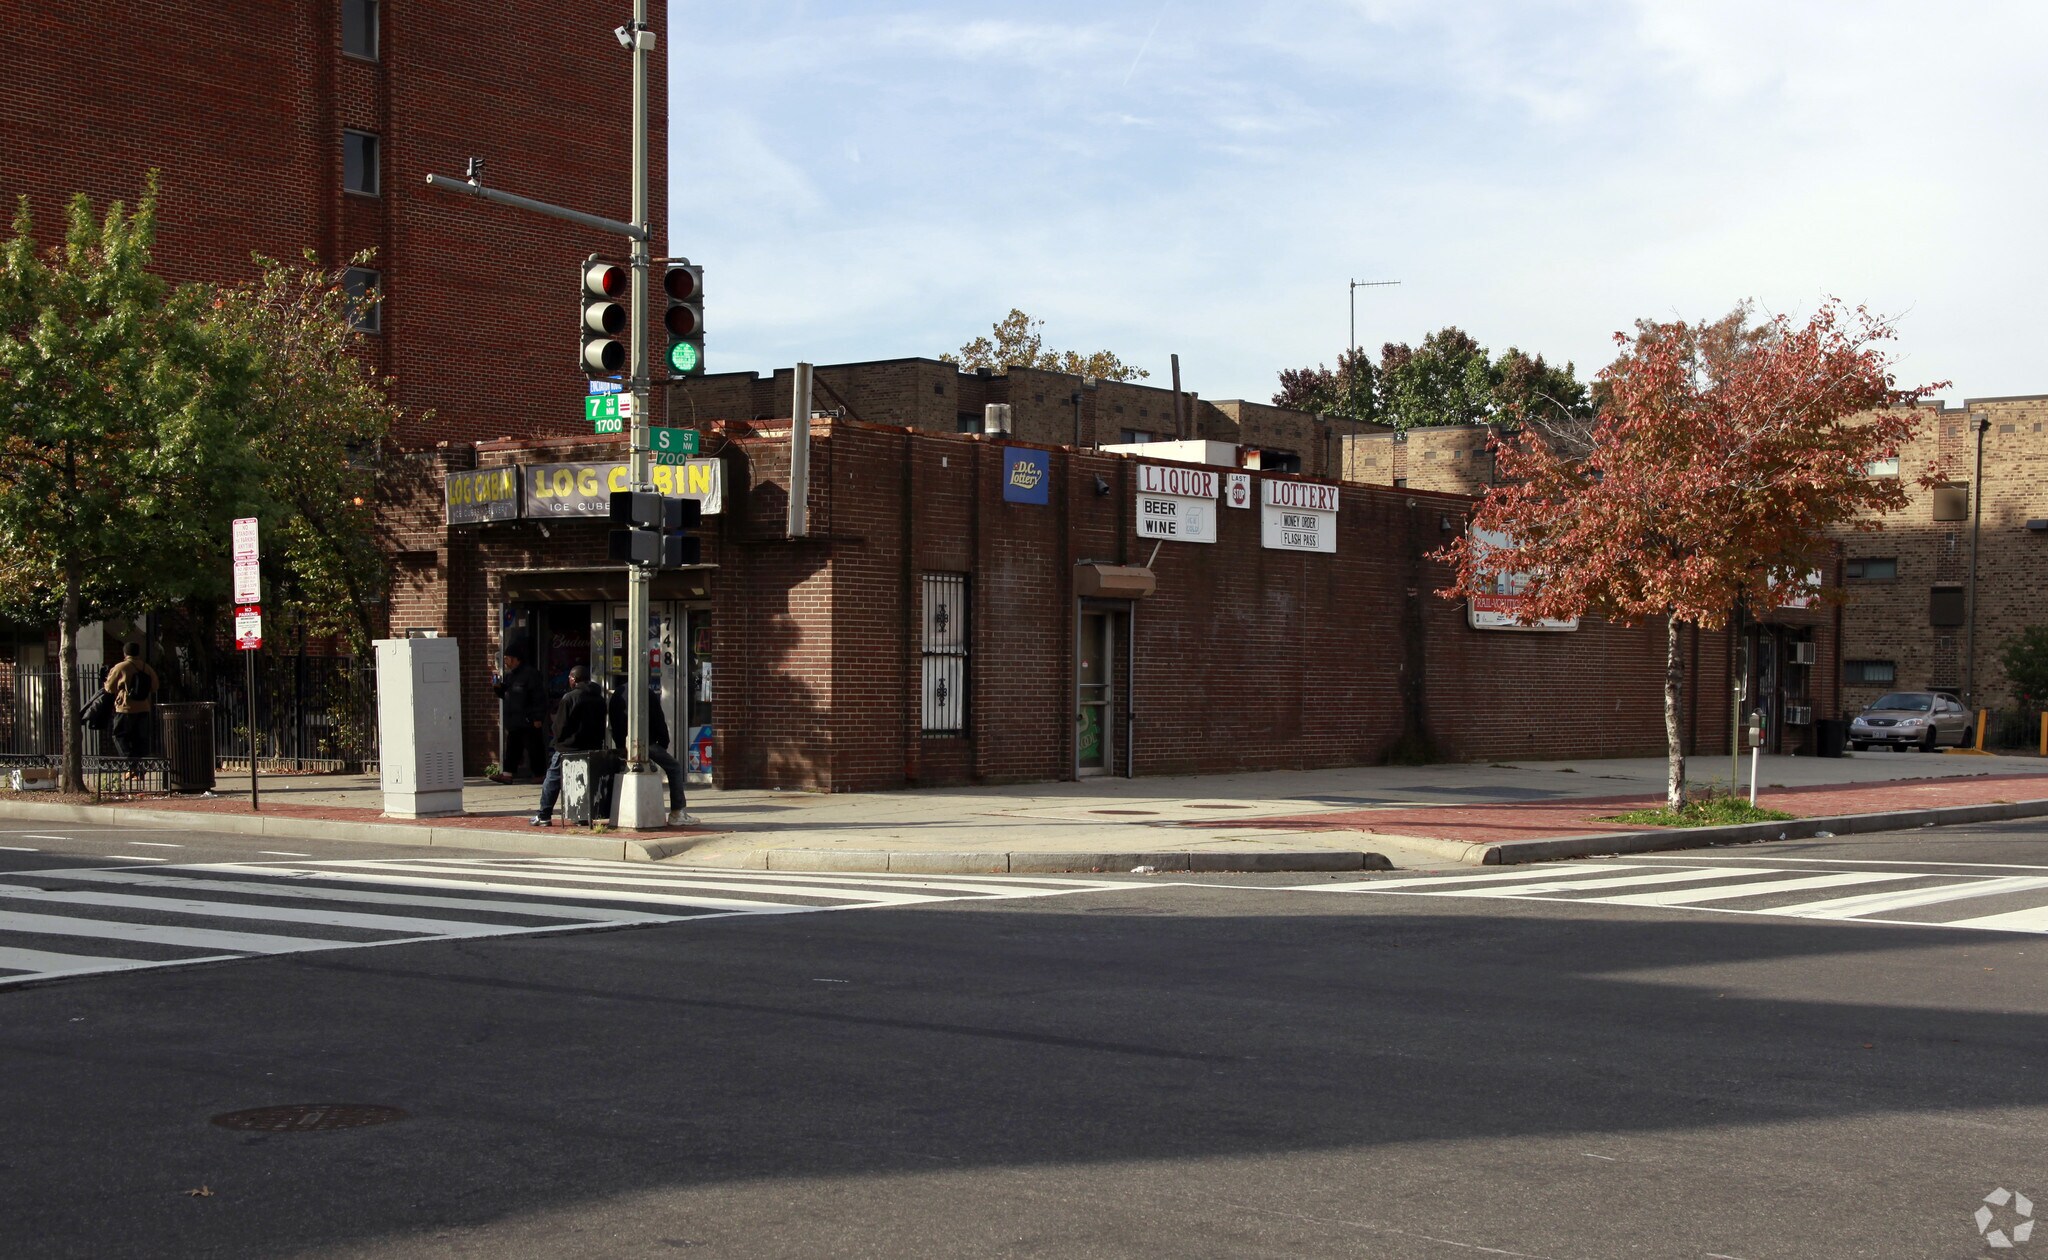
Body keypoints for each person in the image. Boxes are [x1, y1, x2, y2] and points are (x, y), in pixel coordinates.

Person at [609, 675, 697, 827]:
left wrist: (620, 745)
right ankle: (677, 811)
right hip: (645, 743)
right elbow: (658, 720)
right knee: (674, 767)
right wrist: (662, 742)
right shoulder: (647, 693)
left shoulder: (617, 693)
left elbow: (613, 721)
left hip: (624, 744)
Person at [531, 664, 608, 827]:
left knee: (553, 779)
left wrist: (557, 741)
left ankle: (544, 815)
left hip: (568, 747)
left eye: (570, 679)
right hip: (591, 746)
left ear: (573, 679)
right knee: (582, 781)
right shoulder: (599, 698)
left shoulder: (570, 697)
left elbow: (560, 725)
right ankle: (581, 815)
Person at [101, 643, 160, 781]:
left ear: (125, 653)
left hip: (125, 708)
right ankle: (138, 771)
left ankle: (131, 766)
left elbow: (109, 688)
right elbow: (155, 686)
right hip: (144, 708)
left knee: (119, 736)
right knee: (139, 739)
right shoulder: (147, 668)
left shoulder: (121, 667)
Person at [491, 646, 547, 782]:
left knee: (534, 747)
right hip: (515, 719)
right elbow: (508, 694)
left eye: (508, 658)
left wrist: (537, 717)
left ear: (517, 659)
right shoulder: (511, 675)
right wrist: (498, 689)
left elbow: (538, 696)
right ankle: (507, 774)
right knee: (512, 747)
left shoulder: (530, 674)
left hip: (528, 718)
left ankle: (540, 775)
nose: (505, 661)